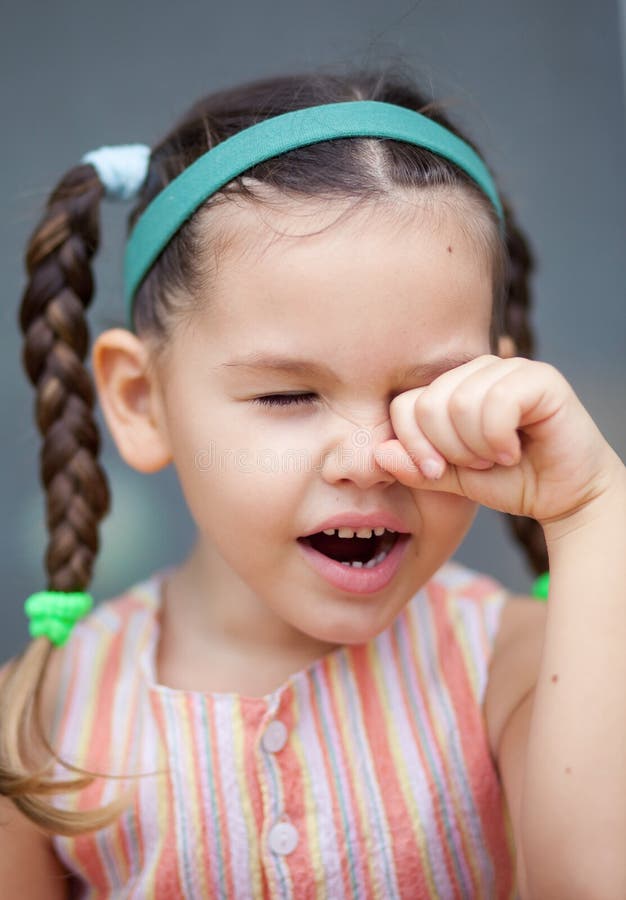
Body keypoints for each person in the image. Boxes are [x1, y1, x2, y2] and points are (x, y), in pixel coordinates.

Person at [0, 65, 624, 900]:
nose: (365, 457)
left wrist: (591, 510)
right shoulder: (42, 721)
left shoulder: (520, 670)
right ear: (141, 399)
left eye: (423, 396)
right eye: (288, 394)